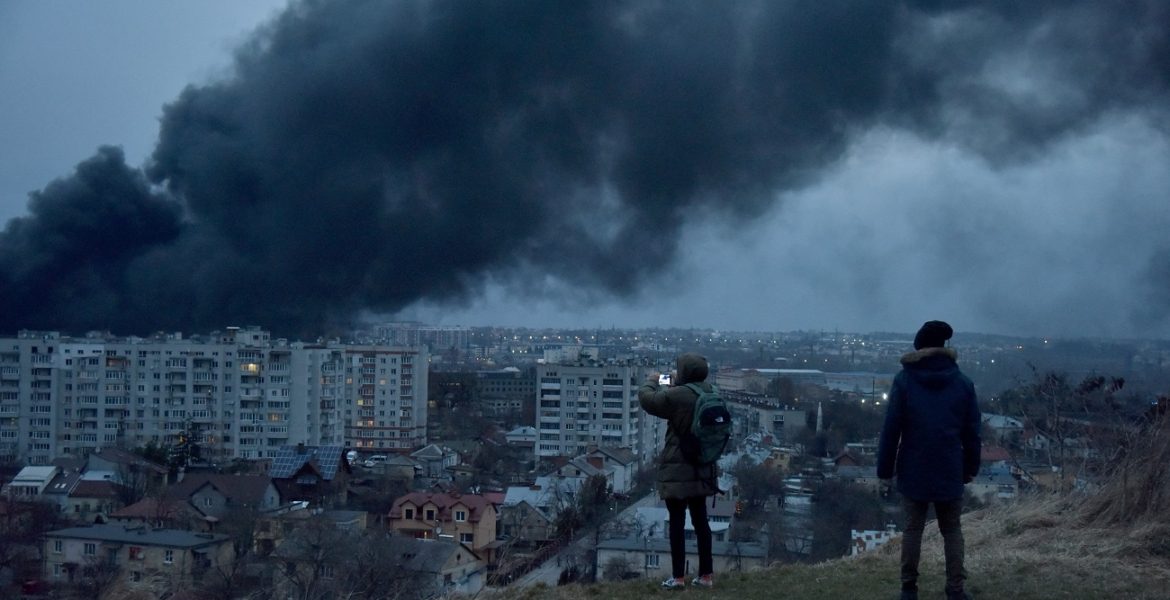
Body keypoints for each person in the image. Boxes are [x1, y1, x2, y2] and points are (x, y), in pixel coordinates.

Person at [877, 320, 981, 600]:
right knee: (952, 530)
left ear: (919, 347)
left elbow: (891, 429)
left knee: (912, 529)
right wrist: (971, 467)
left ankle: (909, 589)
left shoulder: (904, 381)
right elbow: (972, 432)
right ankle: (956, 590)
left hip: (913, 466)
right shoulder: (963, 384)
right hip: (949, 466)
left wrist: (884, 470)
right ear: (944, 347)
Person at [639, 352, 717, 590]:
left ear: (684, 372)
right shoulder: (711, 391)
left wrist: (652, 379)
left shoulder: (677, 395)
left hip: (678, 467)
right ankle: (705, 576)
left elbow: (648, 400)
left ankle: (678, 577)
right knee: (701, 522)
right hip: (703, 466)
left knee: (676, 523)